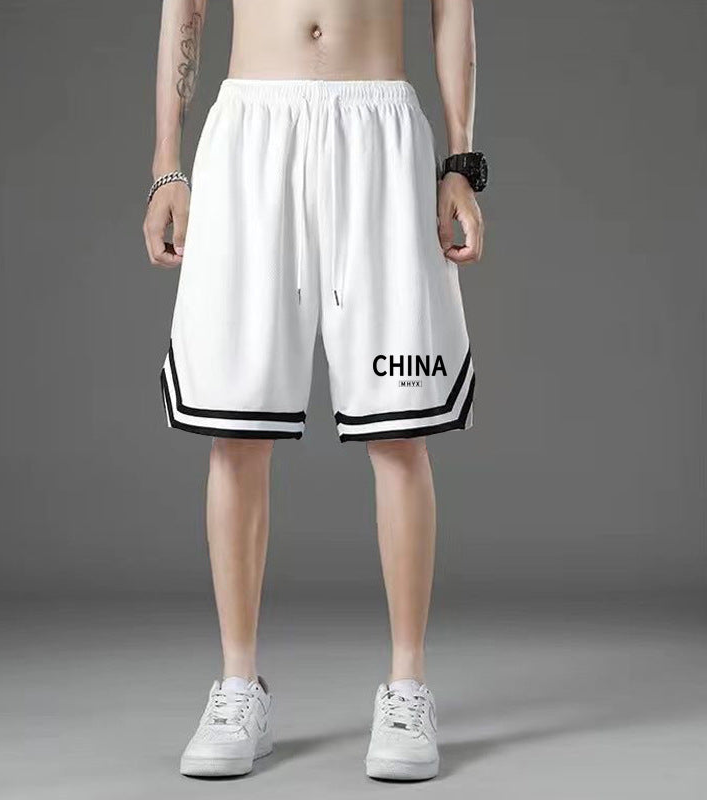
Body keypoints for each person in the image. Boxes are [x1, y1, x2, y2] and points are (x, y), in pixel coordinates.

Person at [142, 0, 486, 781]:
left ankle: (407, 686)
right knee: (237, 430)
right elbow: (184, 6)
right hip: (251, 130)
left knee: (399, 430)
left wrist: (461, 163)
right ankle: (238, 686)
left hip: (380, 131)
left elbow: (453, 6)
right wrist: (168, 165)